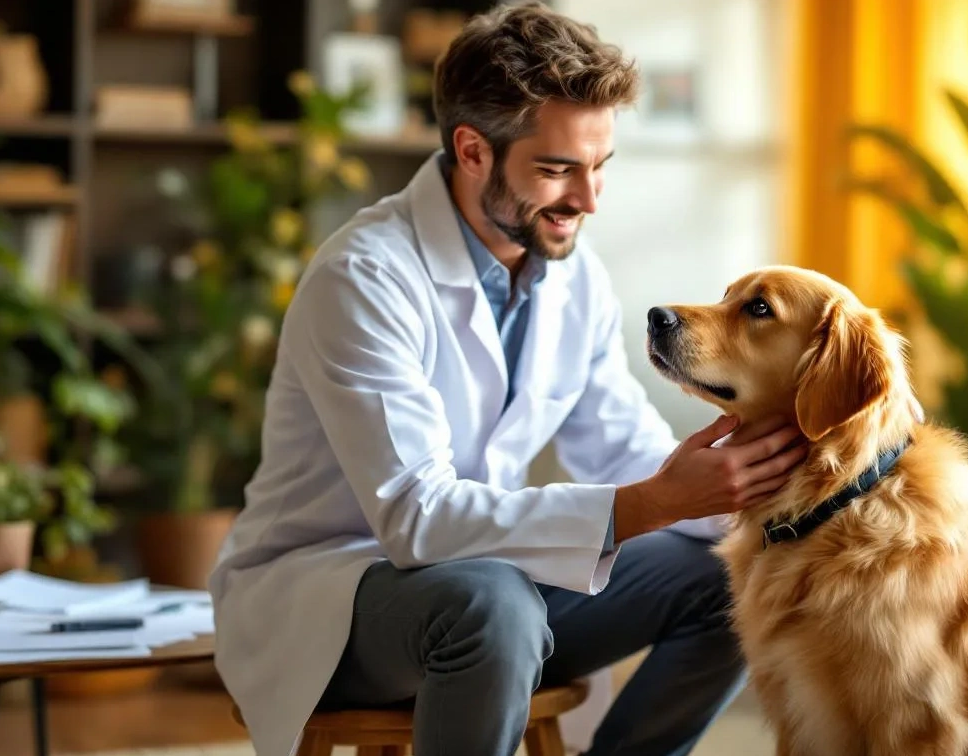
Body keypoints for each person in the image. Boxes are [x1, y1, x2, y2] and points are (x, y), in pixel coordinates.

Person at [207, 4, 807, 756]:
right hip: (330, 596)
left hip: (488, 582)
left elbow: (620, 449)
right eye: (557, 170)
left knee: (738, 576)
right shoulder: (364, 278)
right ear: (472, 150)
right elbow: (417, 519)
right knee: (490, 608)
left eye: (598, 168)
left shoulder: (573, 276)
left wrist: (765, 510)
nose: (587, 201)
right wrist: (652, 502)